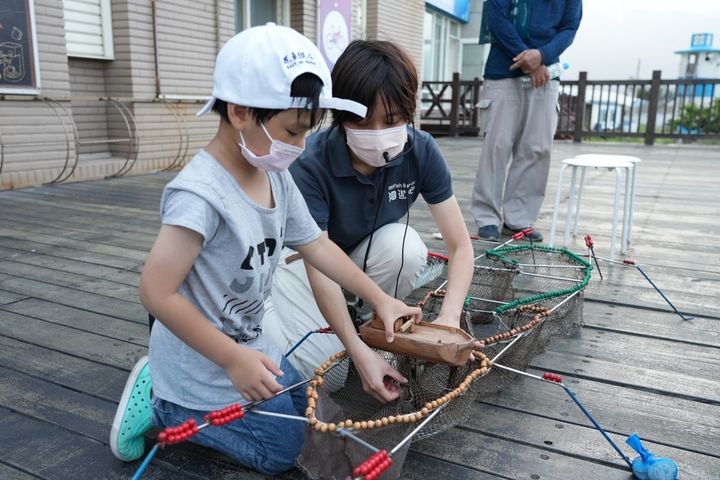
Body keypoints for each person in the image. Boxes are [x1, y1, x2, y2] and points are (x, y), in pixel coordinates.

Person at [108, 24, 422, 475]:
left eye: (305, 132)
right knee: (280, 452)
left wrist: (380, 298)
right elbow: (156, 293)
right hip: (204, 364)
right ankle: (160, 406)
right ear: (239, 111)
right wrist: (233, 359)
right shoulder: (200, 195)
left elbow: (316, 243)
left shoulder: (274, 173)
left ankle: (183, 392)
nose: (299, 146)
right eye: (292, 131)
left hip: (252, 344)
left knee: (307, 408)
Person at [264, 40, 476, 401]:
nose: (378, 131)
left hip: (358, 264)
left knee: (405, 246)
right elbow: (319, 261)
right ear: (340, 114)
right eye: (361, 121)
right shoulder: (311, 163)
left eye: (392, 120)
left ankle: (376, 326)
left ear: (409, 111)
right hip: (302, 265)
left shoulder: (421, 149)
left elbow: (460, 247)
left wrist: (450, 320)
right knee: (328, 374)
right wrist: (356, 353)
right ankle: (272, 313)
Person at [471, 0, 582, 242]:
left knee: (536, 149)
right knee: (496, 147)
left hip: (546, 74)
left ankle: (518, 218)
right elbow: (496, 17)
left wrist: (542, 55)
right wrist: (529, 61)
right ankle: (487, 218)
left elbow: (570, 27)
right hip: (503, 71)